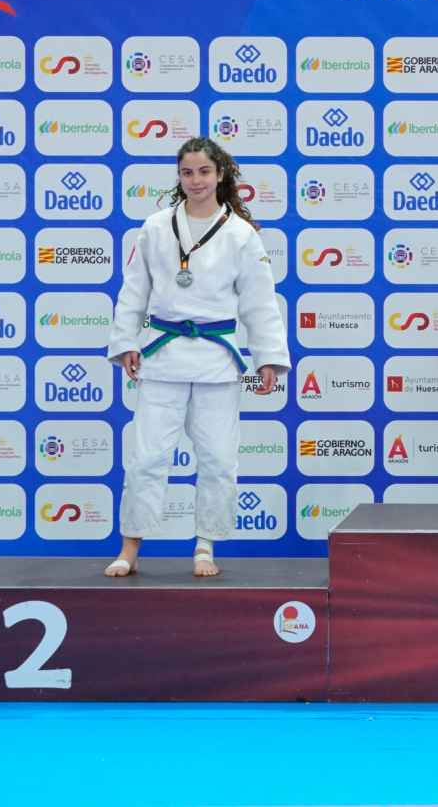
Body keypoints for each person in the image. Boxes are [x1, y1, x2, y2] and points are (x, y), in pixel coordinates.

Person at [105, 138, 289, 577]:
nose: (196, 180)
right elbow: (134, 289)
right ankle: (130, 549)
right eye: (187, 172)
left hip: (215, 360)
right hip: (163, 355)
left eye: (204, 171)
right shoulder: (156, 227)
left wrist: (267, 357)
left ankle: (205, 546)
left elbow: (260, 301)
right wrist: (126, 340)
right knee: (146, 458)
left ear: (220, 175)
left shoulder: (241, 234)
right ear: (179, 176)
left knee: (218, 460)